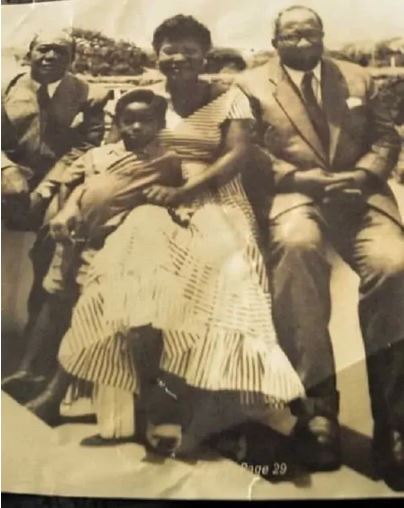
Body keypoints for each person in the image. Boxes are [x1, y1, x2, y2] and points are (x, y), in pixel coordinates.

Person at [25, 15, 304, 455]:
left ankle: (217, 403)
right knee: (128, 259)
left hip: (215, 198)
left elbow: (236, 155)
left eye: (189, 49)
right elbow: (104, 154)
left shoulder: (230, 98)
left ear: (204, 55)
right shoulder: (144, 101)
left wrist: (182, 191)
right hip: (148, 198)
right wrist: (73, 202)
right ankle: (143, 397)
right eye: (169, 49)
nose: (178, 58)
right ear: (157, 55)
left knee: (227, 268)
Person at [238, 5, 404, 491]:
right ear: (275, 42)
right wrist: (295, 177)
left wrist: (363, 174)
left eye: (310, 32)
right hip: (295, 195)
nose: (302, 41)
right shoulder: (249, 87)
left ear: (323, 36)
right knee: (295, 250)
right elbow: (248, 148)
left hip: (360, 194)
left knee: (395, 266)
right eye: (291, 35)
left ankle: (394, 425)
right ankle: (316, 415)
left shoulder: (357, 78)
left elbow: (385, 136)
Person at [1, 29, 109, 399]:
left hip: (55, 185)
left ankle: (34, 358)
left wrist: (46, 188)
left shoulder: (86, 93)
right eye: (42, 49)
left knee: (56, 243)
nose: (49, 56)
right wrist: (7, 170)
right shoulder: (6, 86)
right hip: (7, 180)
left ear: (71, 59)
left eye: (60, 52)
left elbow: (88, 145)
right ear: (29, 52)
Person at [42, 89, 183, 295]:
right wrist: (66, 210)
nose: (136, 127)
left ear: (160, 124)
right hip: (74, 234)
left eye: (146, 121)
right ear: (117, 122)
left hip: (112, 237)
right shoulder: (97, 154)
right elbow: (68, 181)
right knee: (56, 290)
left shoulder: (166, 159)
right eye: (128, 120)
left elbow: (180, 187)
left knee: (92, 290)